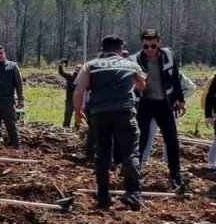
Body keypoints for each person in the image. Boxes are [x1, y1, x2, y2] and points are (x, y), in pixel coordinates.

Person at [73, 35, 146, 210]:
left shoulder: (90, 65)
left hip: (100, 113)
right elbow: (143, 85)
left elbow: (78, 91)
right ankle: (133, 194)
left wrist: (78, 113)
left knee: (103, 154)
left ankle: (103, 196)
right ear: (120, 48)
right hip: (124, 111)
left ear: (102, 49)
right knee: (131, 153)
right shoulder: (131, 64)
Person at [133, 29, 186, 191]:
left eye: (153, 45)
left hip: (164, 103)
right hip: (145, 103)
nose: (149, 49)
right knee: (140, 139)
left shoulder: (169, 55)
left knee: (171, 139)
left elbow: (175, 77)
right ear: (142, 43)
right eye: (146, 46)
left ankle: (175, 174)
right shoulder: (135, 59)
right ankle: (135, 173)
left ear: (159, 42)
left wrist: (180, 99)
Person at [57, 59, 79, 128]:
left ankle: (77, 128)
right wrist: (60, 65)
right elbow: (62, 73)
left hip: (79, 99)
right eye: (77, 68)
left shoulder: (84, 78)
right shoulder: (70, 76)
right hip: (70, 99)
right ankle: (66, 128)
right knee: (68, 114)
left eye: (79, 69)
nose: (77, 70)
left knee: (78, 115)